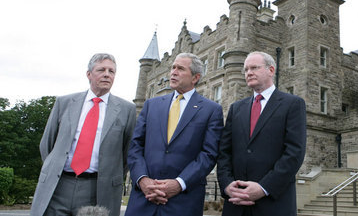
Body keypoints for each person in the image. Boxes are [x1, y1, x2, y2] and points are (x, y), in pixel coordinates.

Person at [30, 53, 137, 216]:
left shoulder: (127, 110)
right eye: (101, 70)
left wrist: (109, 174)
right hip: (58, 185)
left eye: (112, 71)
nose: (107, 74)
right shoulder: (64, 103)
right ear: (89, 74)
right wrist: (55, 167)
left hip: (98, 189)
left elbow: (127, 151)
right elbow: (47, 143)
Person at [125, 52, 224, 216]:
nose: (173, 72)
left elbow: (209, 154)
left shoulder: (211, 110)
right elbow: (135, 147)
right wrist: (142, 179)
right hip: (144, 199)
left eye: (180, 69)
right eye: (173, 68)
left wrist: (179, 183)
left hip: (183, 202)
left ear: (195, 77)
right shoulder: (151, 105)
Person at [217, 51, 307, 216]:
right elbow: (224, 152)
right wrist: (227, 185)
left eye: (254, 68)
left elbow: (294, 153)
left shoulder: (292, 104)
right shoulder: (236, 108)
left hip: (273, 204)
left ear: (271, 70)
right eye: (245, 70)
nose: (248, 73)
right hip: (235, 204)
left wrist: (264, 187)